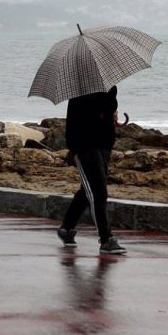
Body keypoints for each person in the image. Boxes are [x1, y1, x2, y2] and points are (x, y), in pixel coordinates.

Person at [57, 85, 127, 254]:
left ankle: (66, 227)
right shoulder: (81, 88)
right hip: (84, 144)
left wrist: (112, 114)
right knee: (97, 192)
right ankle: (106, 238)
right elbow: (96, 109)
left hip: (103, 143)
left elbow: (107, 107)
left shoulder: (106, 85)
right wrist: (108, 109)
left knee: (88, 189)